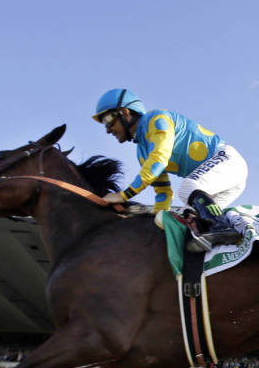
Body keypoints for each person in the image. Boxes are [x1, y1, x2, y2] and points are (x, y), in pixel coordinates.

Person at [92, 88, 247, 250]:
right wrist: (152, 216)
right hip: (217, 184)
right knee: (187, 215)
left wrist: (124, 195)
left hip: (227, 161)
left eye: (108, 120)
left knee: (187, 189)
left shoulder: (157, 119)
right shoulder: (142, 152)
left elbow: (159, 159)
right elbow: (163, 193)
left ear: (125, 112)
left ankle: (222, 228)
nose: (108, 129)